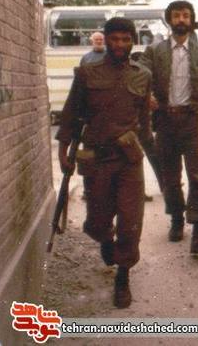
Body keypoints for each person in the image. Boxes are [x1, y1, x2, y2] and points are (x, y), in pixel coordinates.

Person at [56, 17, 152, 308]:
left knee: (131, 221)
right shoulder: (88, 72)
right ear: (106, 40)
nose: (120, 44)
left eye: (126, 39)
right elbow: (71, 113)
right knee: (97, 221)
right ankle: (106, 241)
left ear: (133, 41)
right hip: (97, 158)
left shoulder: (143, 75)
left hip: (128, 160)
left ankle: (123, 275)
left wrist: (148, 146)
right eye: (115, 39)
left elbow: (144, 120)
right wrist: (63, 150)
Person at [139, 0, 198, 254]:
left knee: (197, 176)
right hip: (165, 121)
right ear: (169, 20)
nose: (181, 19)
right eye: (177, 15)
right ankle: (177, 219)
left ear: (191, 20)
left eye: (186, 15)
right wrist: (147, 95)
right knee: (170, 177)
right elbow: (140, 75)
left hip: (192, 121)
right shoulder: (155, 51)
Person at [129, 50, 163, 201]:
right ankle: (140, 191)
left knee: (152, 156)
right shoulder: (132, 77)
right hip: (134, 126)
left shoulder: (145, 76)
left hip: (143, 125)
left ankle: (164, 185)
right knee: (140, 158)